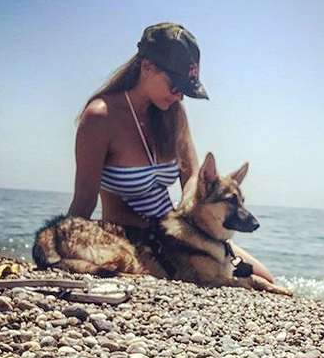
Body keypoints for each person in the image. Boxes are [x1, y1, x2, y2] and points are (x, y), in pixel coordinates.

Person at [67, 22, 273, 282]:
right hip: (131, 239)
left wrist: (200, 220)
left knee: (265, 278)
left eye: (186, 90)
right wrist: (64, 245)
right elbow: (84, 199)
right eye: (175, 87)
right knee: (240, 284)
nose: (180, 98)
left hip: (180, 234)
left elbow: (191, 179)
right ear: (147, 68)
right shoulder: (100, 117)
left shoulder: (173, 114)